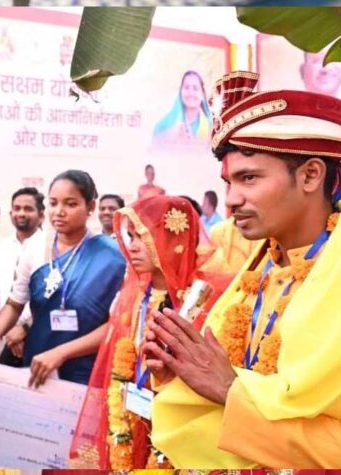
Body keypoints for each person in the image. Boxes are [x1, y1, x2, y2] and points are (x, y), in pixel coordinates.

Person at [145, 71, 341, 468]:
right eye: (228, 183)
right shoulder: (261, 266)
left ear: (310, 175)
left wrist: (230, 387)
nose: (231, 200)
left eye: (249, 178)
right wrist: (180, 373)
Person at [69, 195, 226, 469]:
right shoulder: (136, 293)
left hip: (180, 416)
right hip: (133, 410)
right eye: (130, 237)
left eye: (143, 237)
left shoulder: (202, 299)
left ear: (172, 239)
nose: (132, 247)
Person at [0, 170, 126, 387]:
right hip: (38, 364)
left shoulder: (113, 256)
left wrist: (61, 353)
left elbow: (119, 324)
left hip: (88, 371)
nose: (59, 212)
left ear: (91, 206)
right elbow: (15, 304)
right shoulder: (34, 247)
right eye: (53, 203)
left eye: (70, 204)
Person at [0, 187, 45, 367]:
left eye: (28, 209)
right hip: (3, 336)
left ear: (41, 214)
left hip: (39, 335)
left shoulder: (49, 248)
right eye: (17, 208)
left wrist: (24, 330)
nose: (21, 213)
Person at [152, 70, 212, 148]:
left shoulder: (212, 127)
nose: (191, 93)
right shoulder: (163, 126)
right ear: (180, 92)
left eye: (195, 88)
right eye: (186, 88)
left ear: (202, 94)